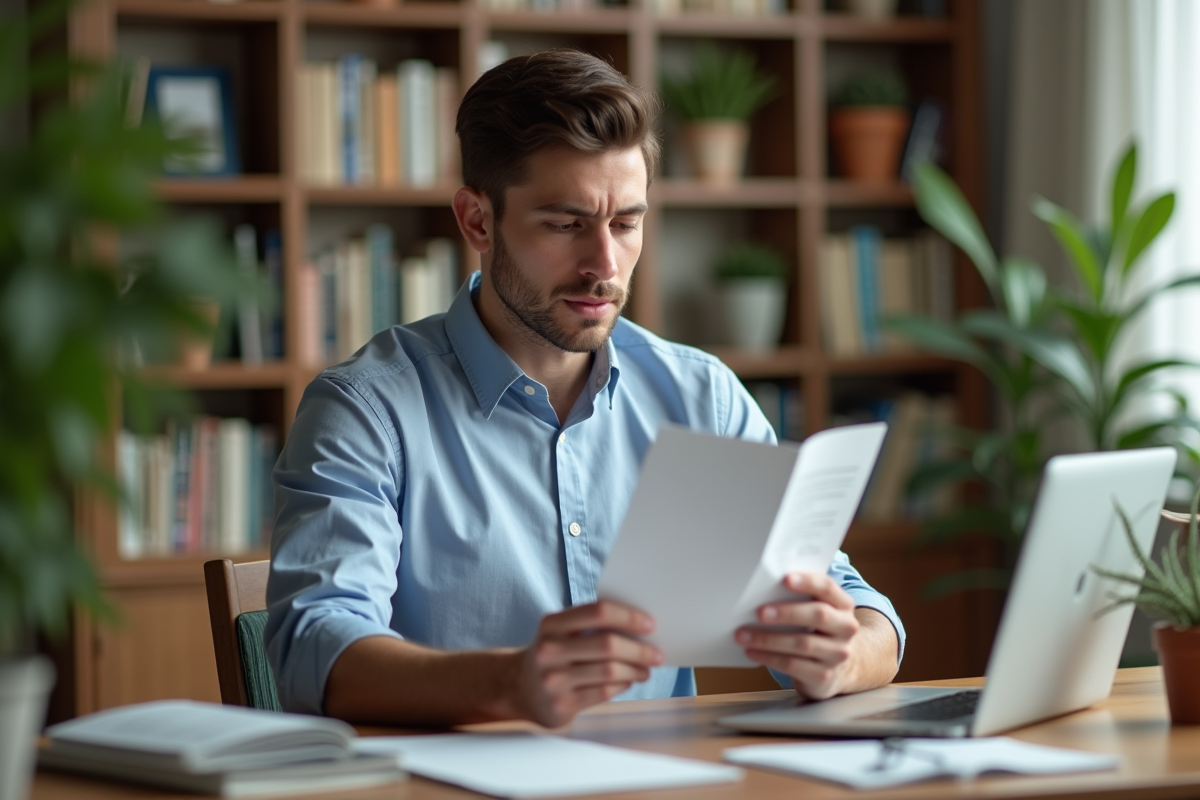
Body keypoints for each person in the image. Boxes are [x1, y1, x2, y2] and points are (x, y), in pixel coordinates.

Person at [265, 49, 904, 727]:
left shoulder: (699, 397)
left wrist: (845, 654)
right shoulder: (367, 410)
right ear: (477, 221)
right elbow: (314, 650)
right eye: (567, 224)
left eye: (626, 224)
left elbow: (856, 609)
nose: (604, 265)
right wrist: (508, 683)